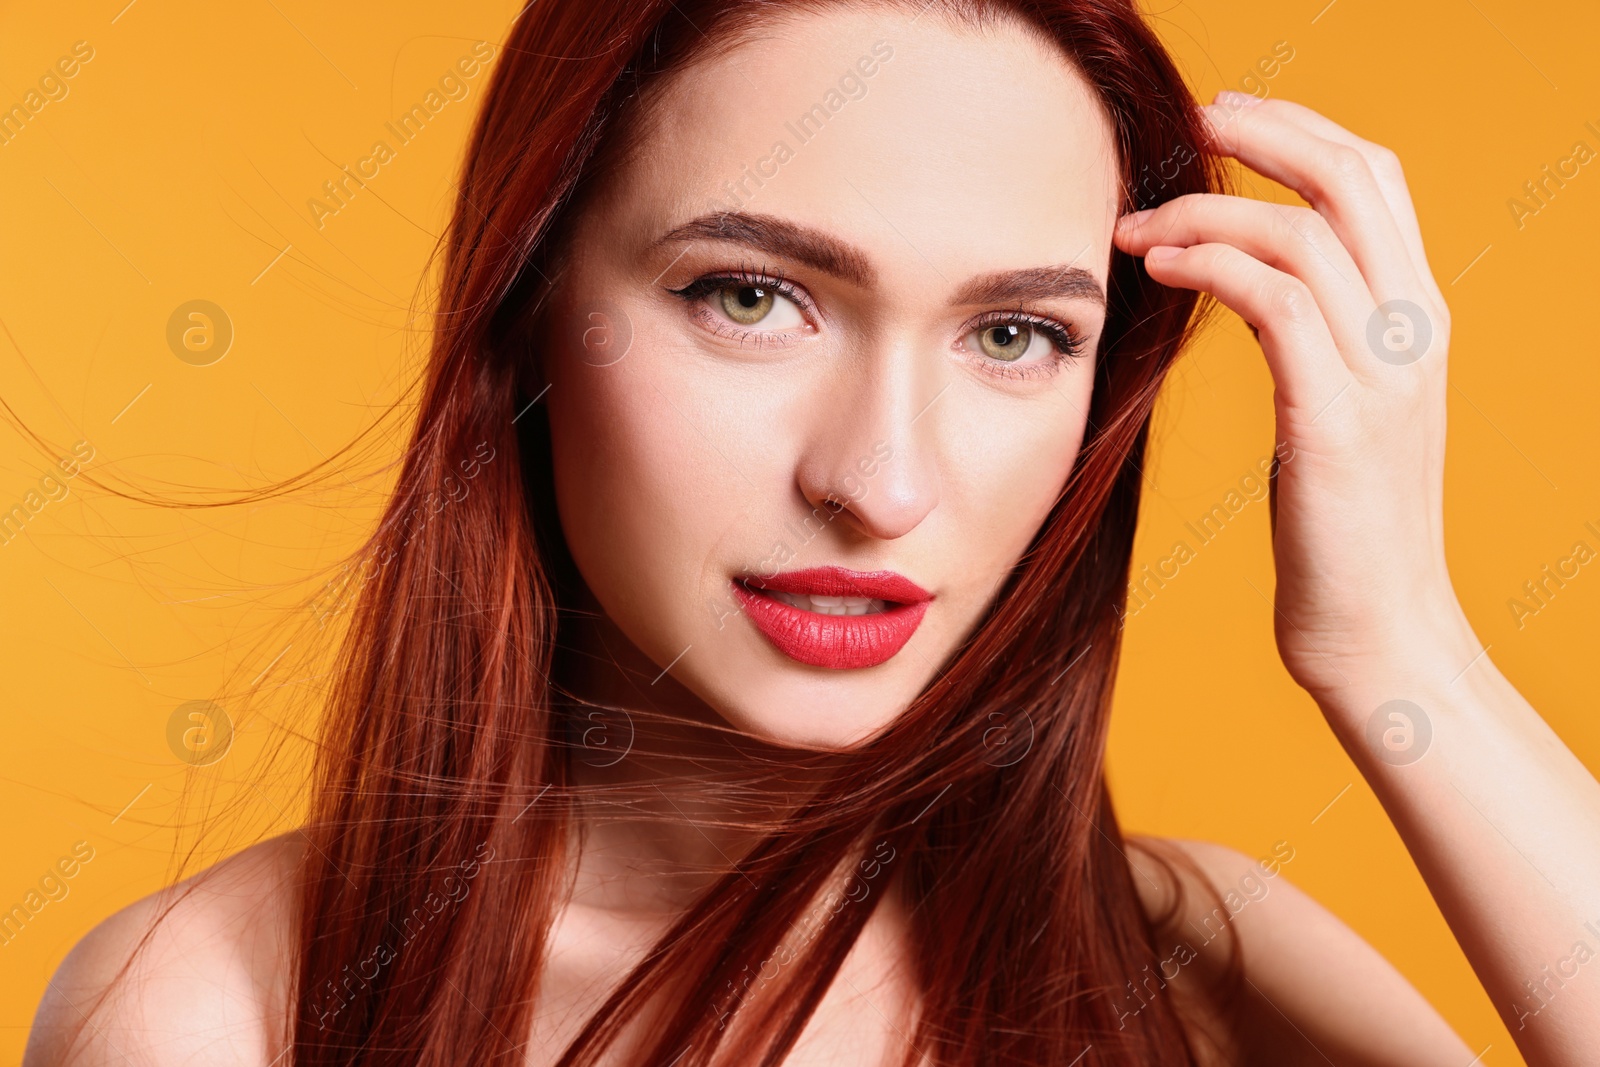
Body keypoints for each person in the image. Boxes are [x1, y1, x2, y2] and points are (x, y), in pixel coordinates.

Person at [24, 0, 1600, 1064]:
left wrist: (1404, 651)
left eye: (1014, 335)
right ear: (530, 313)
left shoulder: (1197, 959)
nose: (883, 482)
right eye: (754, 297)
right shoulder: (228, 1005)